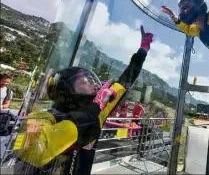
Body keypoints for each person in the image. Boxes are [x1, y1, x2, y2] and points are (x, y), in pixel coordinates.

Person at [12, 26, 153, 175]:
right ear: (67, 90)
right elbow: (38, 151)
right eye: (85, 82)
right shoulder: (43, 118)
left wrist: (142, 51)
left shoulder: (98, 110)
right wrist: (93, 110)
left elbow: (126, 80)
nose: (94, 85)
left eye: (92, 80)